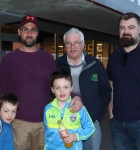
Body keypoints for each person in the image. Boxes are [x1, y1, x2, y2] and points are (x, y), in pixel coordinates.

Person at [0, 15, 82, 150]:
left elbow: (57, 86)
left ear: (37, 33)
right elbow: (1, 91)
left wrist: (75, 96)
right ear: (19, 32)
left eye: (33, 30)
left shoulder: (47, 58)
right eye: (25, 29)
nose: (29, 33)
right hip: (18, 124)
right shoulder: (8, 60)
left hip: (45, 123)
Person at [55, 27, 111, 150]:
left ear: (83, 44)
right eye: (68, 43)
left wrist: (97, 115)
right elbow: (53, 90)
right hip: (66, 125)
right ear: (65, 46)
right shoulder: (57, 65)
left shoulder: (95, 65)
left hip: (90, 124)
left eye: (76, 43)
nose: (72, 46)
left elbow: (105, 92)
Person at [106, 12, 140, 150]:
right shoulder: (114, 57)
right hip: (118, 124)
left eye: (131, 27)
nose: (126, 31)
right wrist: (111, 112)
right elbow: (111, 85)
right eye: (122, 28)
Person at [44, 70, 95, 150]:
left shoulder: (79, 108)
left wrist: (76, 136)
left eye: (66, 87)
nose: (62, 91)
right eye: (57, 88)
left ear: (72, 87)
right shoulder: (47, 109)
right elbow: (46, 132)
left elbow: (91, 127)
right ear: (52, 90)